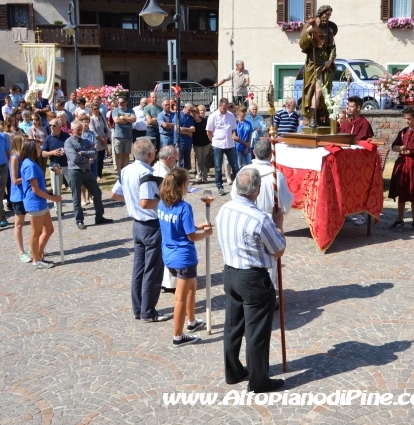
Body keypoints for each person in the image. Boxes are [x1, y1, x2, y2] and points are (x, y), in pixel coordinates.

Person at [217, 168, 287, 393]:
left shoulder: (224, 209)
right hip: (253, 278)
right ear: (257, 191)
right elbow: (278, 250)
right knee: (256, 332)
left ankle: (233, 371)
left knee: (233, 326)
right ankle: (259, 381)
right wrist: (279, 225)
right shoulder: (259, 219)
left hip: (230, 273)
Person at [114, 138, 172, 322]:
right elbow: (146, 202)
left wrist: (132, 203)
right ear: (149, 155)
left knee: (139, 268)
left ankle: (138, 308)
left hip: (137, 225)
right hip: (150, 225)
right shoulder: (146, 173)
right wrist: (165, 201)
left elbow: (115, 194)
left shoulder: (126, 170)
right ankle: (148, 311)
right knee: (152, 270)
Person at [230, 138, 293, 298]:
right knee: (269, 258)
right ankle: (268, 294)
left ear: (254, 152)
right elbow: (285, 203)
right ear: (271, 155)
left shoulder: (243, 172)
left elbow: (234, 196)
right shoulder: (275, 175)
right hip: (268, 221)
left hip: (244, 220)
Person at [157, 167, 213, 347]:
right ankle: (178, 336)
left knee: (192, 287)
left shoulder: (162, 204)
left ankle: (192, 321)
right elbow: (190, 236)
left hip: (169, 255)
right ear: (182, 186)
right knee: (180, 297)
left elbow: (180, 227)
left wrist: (197, 226)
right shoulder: (184, 207)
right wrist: (206, 233)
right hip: (184, 258)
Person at [20, 139, 61, 269]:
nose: (40, 149)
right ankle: (36, 260)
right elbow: (35, 189)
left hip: (41, 201)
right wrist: (52, 198)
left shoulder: (32, 163)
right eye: (38, 147)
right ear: (32, 149)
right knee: (36, 232)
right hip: (34, 202)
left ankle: (38, 254)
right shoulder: (29, 165)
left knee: (49, 229)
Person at [64, 121, 113, 230]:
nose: (80, 132)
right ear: (72, 130)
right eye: (78, 129)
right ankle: (79, 220)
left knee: (97, 192)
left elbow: (95, 153)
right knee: (76, 198)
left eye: (81, 129)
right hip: (75, 172)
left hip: (87, 171)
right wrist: (87, 157)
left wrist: (84, 153)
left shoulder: (86, 141)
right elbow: (75, 158)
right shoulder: (68, 143)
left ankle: (99, 216)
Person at [388, 107, 414, 230]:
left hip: (412, 165)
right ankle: (399, 219)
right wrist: (401, 148)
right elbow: (394, 147)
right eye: (405, 118)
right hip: (401, 164)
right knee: (401, 191)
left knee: (413, 192)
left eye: (409, 118)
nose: (407, 121)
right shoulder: (403, 132)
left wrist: (404, 150)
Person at [299, 5, 337, 127]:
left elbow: (332, 47)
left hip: (325, 64)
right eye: (326, 14)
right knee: (315, 90)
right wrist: (309, 32)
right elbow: (302, 44)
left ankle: (319, 117)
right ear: (320, 13)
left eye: (329, 15)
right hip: (313, 63)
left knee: (324, 91)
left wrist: (330, 60)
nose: (328, 17)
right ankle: (312, 118)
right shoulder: (310, 26)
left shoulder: (329, 30)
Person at [207, 98, 240, 196]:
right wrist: (213, 142)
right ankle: (219, 186)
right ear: (219, 106)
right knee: (218, 167)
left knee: (235, 166)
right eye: (224, 108)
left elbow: (234, 129)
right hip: (218, 144)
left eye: (227, 108)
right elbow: (208, 132)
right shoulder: (213, 116)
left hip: (229, 144)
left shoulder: (231, 116)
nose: (226, 110)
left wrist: (233, 136)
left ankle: (238, 186)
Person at [9, 135, 32, 262]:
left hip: (27, 194)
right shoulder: (14, 158)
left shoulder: (24, 158)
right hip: (18, 195)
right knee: (19, 224)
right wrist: (30, 178)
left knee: (34, 221)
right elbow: (14, 179)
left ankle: (31, 247)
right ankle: (21, 251)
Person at [112, 96, 135, 176]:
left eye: (122, 102)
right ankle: (119, 172)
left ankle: (125, 172)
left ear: (126, 102)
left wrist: (124, 117)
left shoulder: (130, 110)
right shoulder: (115, 110)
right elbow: (116, 120)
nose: (120, 104)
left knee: (126, 155)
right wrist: (128, 119)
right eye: (118, 102)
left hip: (128, 136)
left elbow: (134, 119)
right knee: (118, 155)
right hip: (118, 136)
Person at [80, 114, 99, 205]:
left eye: (87, 122)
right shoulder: (79, 134)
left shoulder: (91, 133)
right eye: (84, 122)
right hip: (83, 159)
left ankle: (90, 196)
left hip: (92, 158)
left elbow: (95, 145)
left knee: (92, 178)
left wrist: (91, 155)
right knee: (83, 179)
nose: (86, 124)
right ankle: (83, 197)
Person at [89, 103, 110, 181]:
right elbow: (92, 131)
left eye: (97, 108)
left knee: (101, 158)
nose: (97, 110)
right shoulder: (91, 119)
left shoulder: (102, 117)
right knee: (97, 158)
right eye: (95, 109)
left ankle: (100, 175)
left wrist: (106, 138)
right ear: (92, 110)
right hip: (97, 140)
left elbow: (106, 128)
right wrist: (101, 139)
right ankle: (96, 175)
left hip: (103, 139)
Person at [191, 106, 211, 183]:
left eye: (195, 114)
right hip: (197, 144)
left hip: (205, 143)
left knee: (205, 161)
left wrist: (210, 141)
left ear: (198, 114)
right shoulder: (192, 122)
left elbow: (208, 131)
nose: (194, 115)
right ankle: (199, 177)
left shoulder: (204, 121)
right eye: (193, 114)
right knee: (199, 161)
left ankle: (205, 177)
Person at [178, 103, 196, 170]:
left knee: (187, 160)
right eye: (189, 110)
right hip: (180, 142)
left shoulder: (190, 117)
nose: (190, 112)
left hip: (188, 142)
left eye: (191, 111)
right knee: (179, 160)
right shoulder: (178, 115)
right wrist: (188, 132)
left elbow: (193, 129)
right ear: (184, 108)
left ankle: (186, 175)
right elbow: (178, 129)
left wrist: (185, 129)